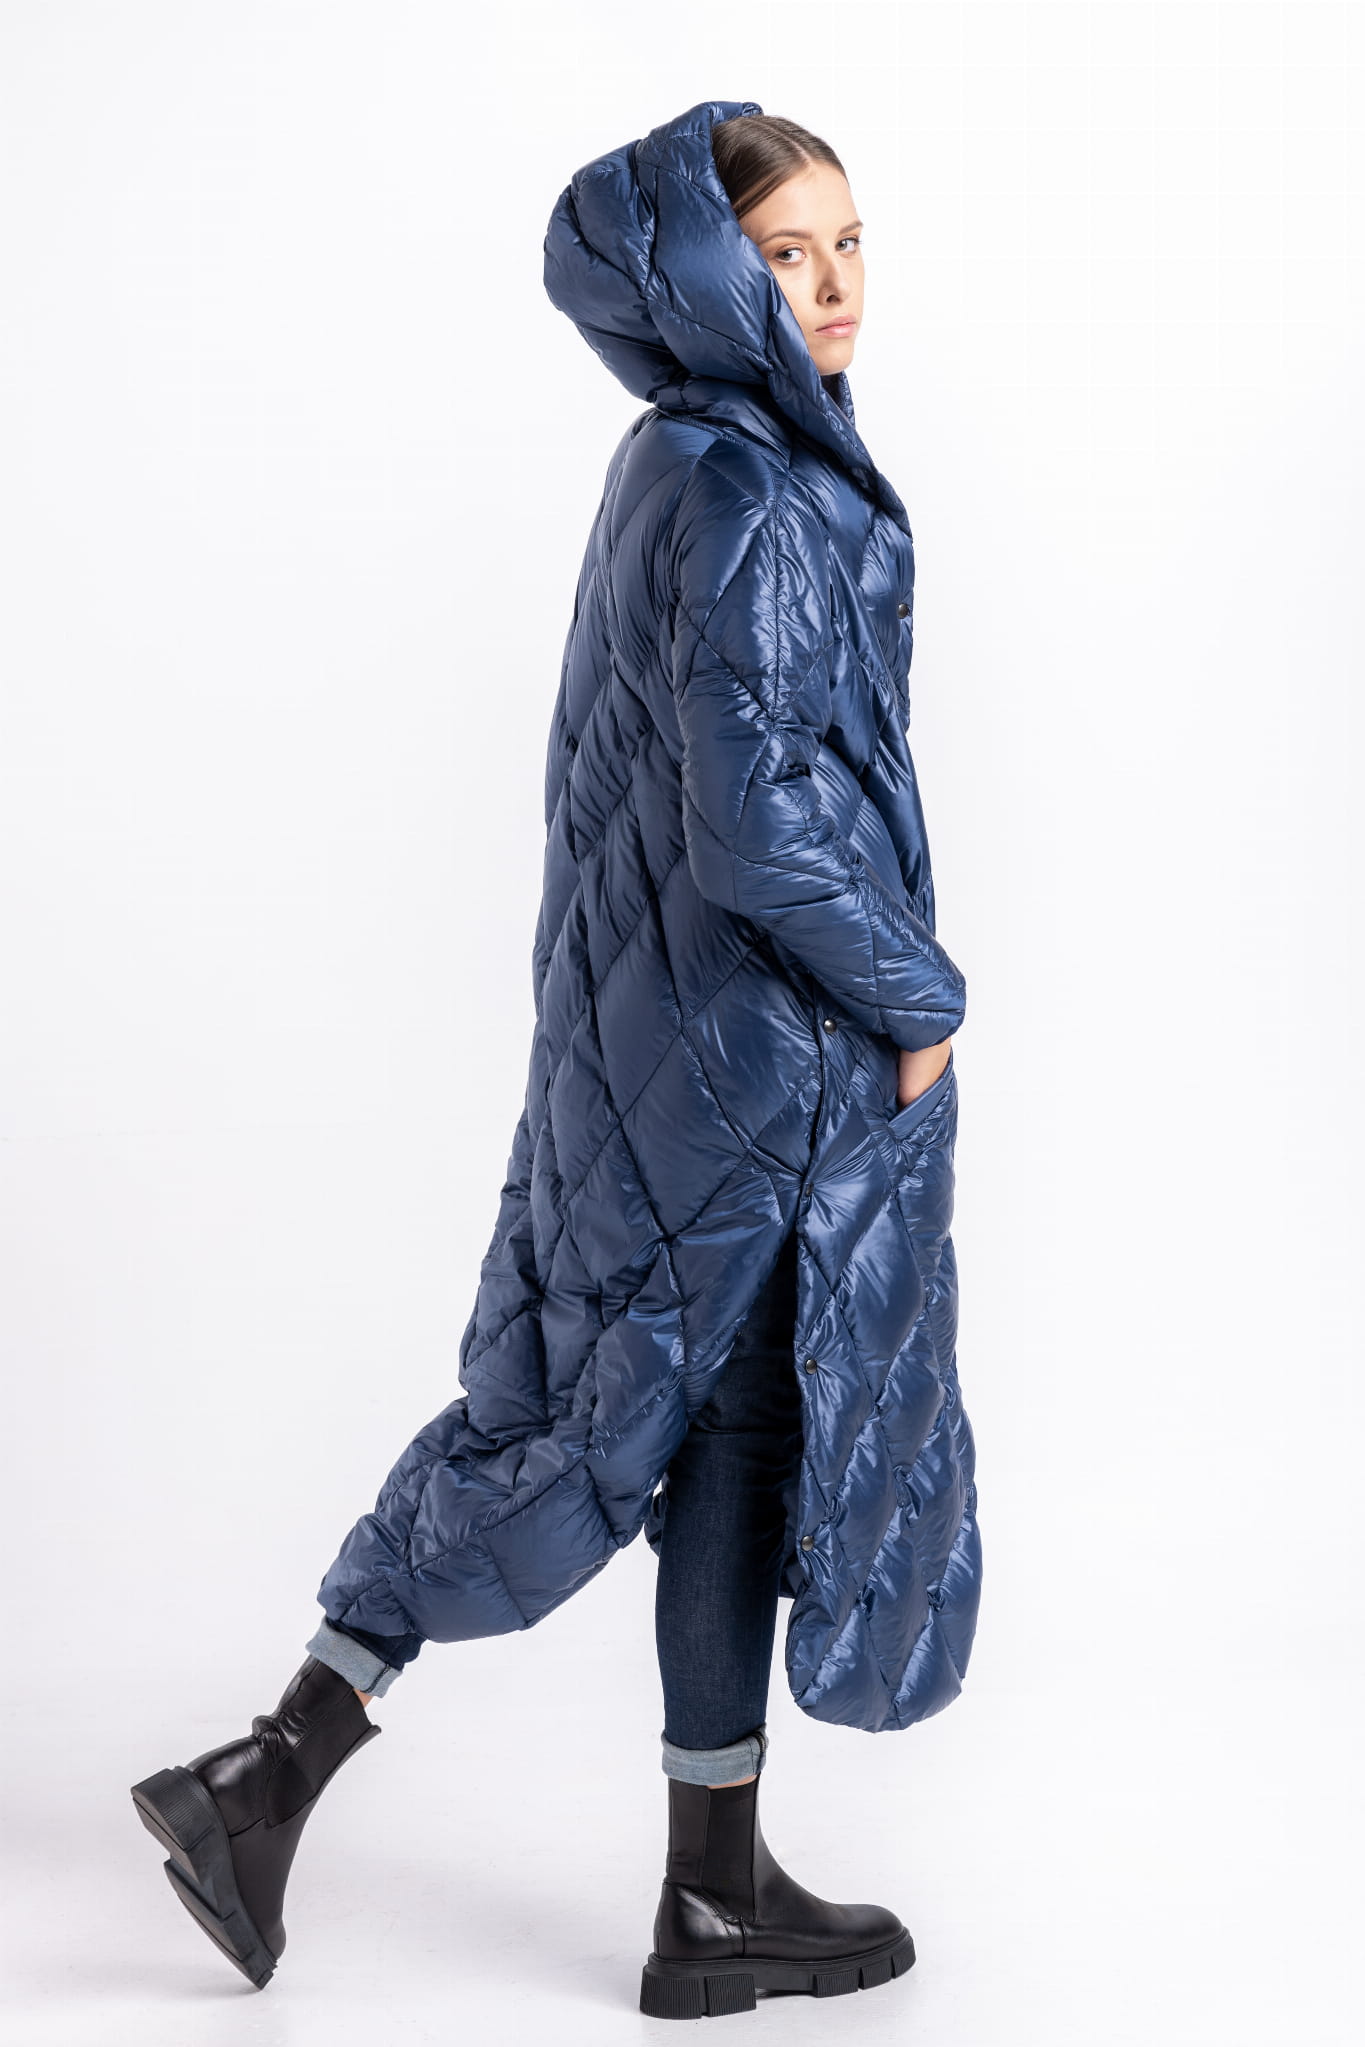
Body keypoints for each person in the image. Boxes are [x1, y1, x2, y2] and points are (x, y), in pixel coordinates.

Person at [130, 99, 982, 2021]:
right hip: (749, 1062)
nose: (833, 285)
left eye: (850, 243)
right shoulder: (748, 490)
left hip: (661, 1047)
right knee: (616, 1441)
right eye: (785, 253)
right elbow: (756, 824)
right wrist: (920, 998)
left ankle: (665, 1881)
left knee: (632, 1428)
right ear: (707, 276)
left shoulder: (682, 453)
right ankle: (298, 1787)